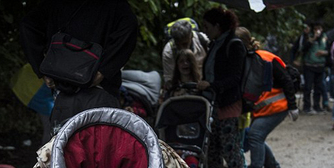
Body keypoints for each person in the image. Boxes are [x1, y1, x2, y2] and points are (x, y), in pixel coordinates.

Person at [20, 0, 137, 142]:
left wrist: (43, 68)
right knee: (101, 151)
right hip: (99, 89)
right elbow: (129, 28)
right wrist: (104, 70)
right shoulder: (115, 5)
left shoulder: (55, 4)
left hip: (66, 88)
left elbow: (28, 25)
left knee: (63, 151)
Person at [235, 27, 299, 168]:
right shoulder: (244, 60)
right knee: (255, 136)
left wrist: (293, 106)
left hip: (278, 106)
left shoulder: (264, 58)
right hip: (263, 109)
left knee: (255, 136)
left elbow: (286, 80)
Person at [197, 7, 247, 168]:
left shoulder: (234, 45)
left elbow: (235, 78)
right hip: (213, 104)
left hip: (228, 104)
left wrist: (212, 85)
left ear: (217, 26)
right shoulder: (216, 44)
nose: (205, 30)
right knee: (214, 150)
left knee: (231, 149)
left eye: (207, 26)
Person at [162, 19, 208, 91]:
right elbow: (169, 78)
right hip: (182, 90)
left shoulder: (203, 41)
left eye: (185, 44)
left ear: (191, 36)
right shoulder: (169, 51)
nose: (182, 48)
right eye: (178, 45)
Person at [301, 21, 329, 114]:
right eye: (316, 28)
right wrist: (313, 39)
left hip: (320, 65)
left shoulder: (325, 37)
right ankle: (307, 107)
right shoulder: (308, 36)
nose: (318, 31)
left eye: (319, 28)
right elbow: (303, 48)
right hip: (309, 65)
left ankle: (317, 106)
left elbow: (330, 49)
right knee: (308, 87)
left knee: (319, 87)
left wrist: (325, 53)